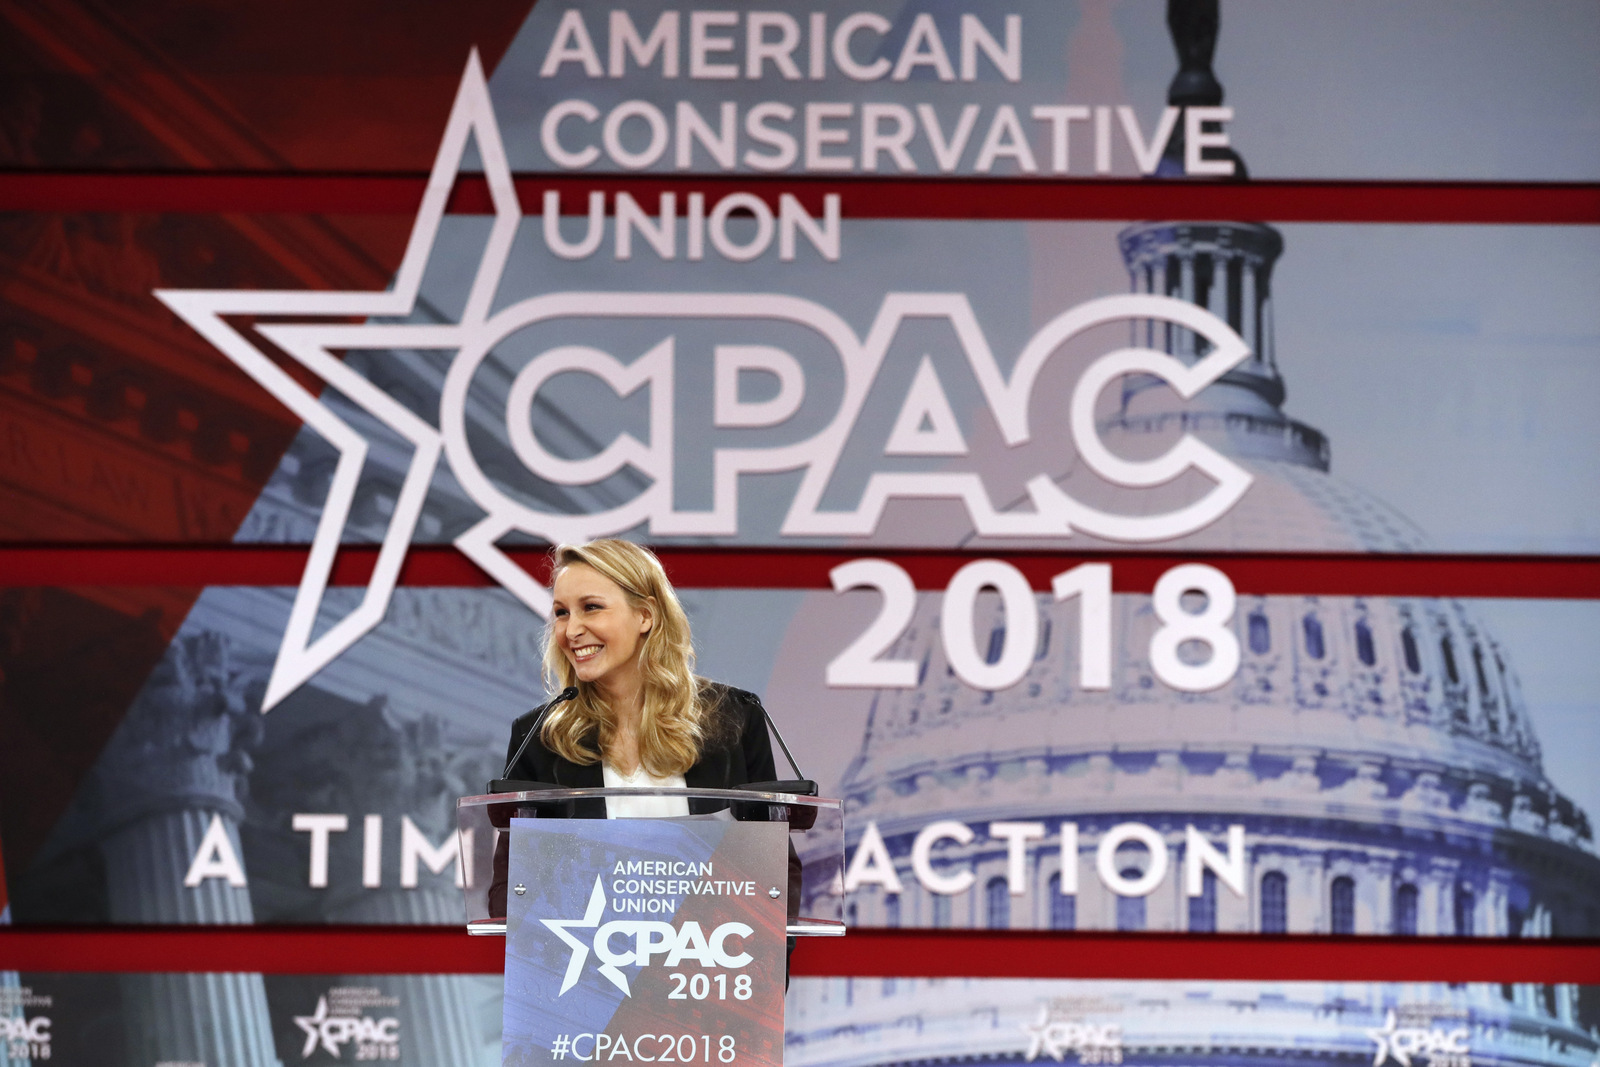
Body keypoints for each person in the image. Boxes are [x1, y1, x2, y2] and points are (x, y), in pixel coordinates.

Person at [502, 538, 783, 819]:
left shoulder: (734, 717)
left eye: (591, 607)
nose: (571, 630)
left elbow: (775, 857)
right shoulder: (539, 738)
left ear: (645, 616)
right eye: (561, 613)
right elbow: (513, 861)